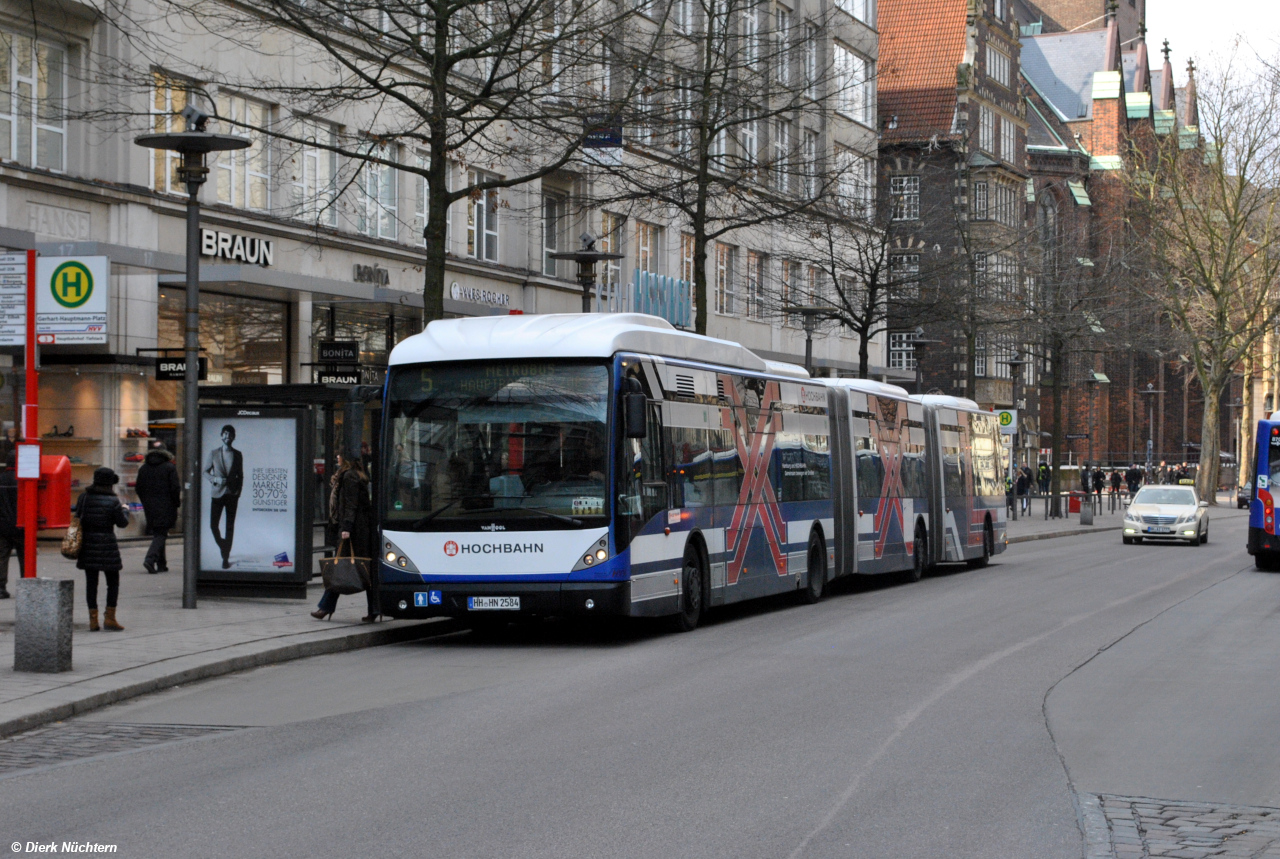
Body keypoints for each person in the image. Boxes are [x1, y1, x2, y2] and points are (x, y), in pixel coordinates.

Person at [312, 453, 379, 622]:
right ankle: (374, 609)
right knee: (363, 569)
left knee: (343, 566)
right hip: (360, 529)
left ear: (347, 459)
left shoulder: (349, 476)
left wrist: (347, 527)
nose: (337, 456)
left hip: (354, 531)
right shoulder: (357, 475)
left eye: (340, 454)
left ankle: (326, 607)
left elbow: (351, 503)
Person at [76, 467, 130, 631]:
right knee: (112, 583)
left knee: (91, 583)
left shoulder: (84, 497)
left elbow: (78, 517)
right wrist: (125, 510)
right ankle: (110, 618)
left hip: (88, 543)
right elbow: (122, 523)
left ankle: (93, 621)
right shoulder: (113, 501)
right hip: (107, 544)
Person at [135, 441, 180, 574]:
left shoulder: (143, 468)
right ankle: (150, 559)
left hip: (149, 506)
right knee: (161, 533)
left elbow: (139, 488)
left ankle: (161, 564)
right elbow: (175, 488)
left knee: (159, 533)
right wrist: (176, 502)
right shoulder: (169, 467)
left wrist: (146, 501)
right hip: (166, 505)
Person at [204, 423, 244, 569]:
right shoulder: (214, 453)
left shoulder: (238, 454)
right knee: (213, 525)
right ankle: (224, 547)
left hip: (232, 494)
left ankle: (225, 558)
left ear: (234, 437)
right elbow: (205, 471)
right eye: (225, 434)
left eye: (230, 434)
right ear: (221, 436)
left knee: (229, 526)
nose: (227, 436)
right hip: (217, 493)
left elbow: (241, 475)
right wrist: (215, 479)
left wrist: (238, 492)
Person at [0, 451, 21, 598]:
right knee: (25, 557)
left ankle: (1, 588)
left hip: (2, 526)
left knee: (2, 557)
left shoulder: (0, 479)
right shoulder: (24, 481)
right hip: (23, 525)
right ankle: (27, 585)